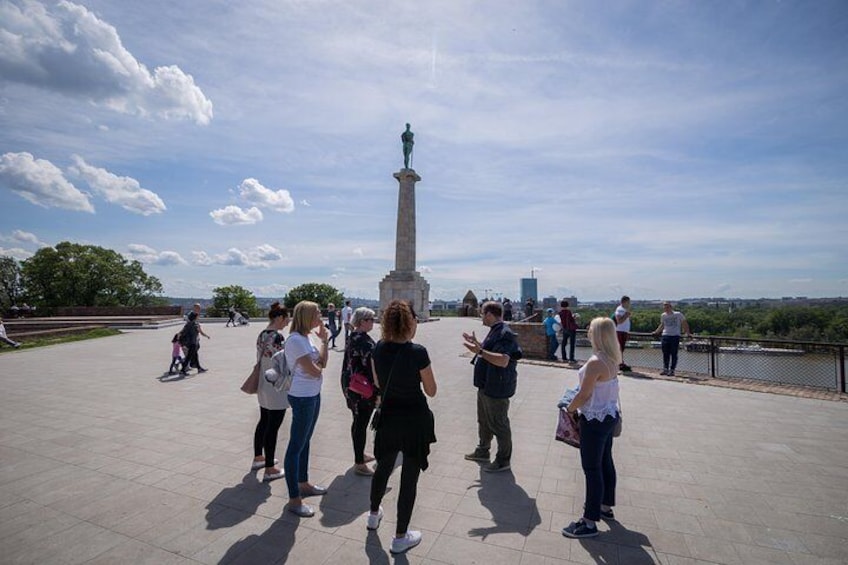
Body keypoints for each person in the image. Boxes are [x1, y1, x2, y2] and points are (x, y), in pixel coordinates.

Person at [367, 300, 437, 555]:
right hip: (414, 418)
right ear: (410, 323)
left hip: (389, 416)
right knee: (409, 477)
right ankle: (400, 536)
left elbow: (377, 382)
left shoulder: (378, 349)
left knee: (383, 468)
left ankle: (373, 514)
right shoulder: (418, 352)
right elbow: (431, 390)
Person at [562, 317, 622, 539]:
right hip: (608, 415)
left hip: (594, 419)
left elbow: (584, 394)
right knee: (606, 461)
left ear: (597, 334)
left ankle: (589, 522)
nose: (587, 330)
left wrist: (569, 409)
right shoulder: (613, 358)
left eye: (590, 328)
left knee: (591, 468)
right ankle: (606, 506)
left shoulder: (597, 362)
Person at [462, 301, 522, 473]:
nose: (481, 317)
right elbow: (492, 350)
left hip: (497, 387)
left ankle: (503, 461)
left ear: (489, 315)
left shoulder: (505, 333)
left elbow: (503, 360)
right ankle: (482, 451)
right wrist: (478, 344)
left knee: (499, 424)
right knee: (484, 421)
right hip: (486, 385)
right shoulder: (495, 331)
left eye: (482, 314)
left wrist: (479, 351)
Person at [283, 301, 330, 517]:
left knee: (305, 441)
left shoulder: (306, 338)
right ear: (307, 316)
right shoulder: (295, 340)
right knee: (296, 446)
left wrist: (325, 341)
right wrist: (318, 366)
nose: (320, 315)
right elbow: (315, 371)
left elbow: (323, 364)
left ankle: (303, 483)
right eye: (317, 313)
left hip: (312, 395)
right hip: (303, 397)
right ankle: (294, 498)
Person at [253, 302, 290, 482]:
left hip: (262, 382)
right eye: (286, 318)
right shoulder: (278, 337)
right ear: (279, 317)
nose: (287, 322)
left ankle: (259, 457)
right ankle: (270, 467)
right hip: (276, 385)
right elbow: (283, 364)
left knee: (264, 420)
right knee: (273, 426)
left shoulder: (262, 335)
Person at [341, 307, 377, 476]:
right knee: (361, 423)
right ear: (363, 321)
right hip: (363, 389)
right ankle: (359, 463)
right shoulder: (365, 341)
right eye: (371, 319)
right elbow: (372, 367)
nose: (374, 322)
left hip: (350, 385)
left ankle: (359, 454)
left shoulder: (352, 336)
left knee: (356, 421)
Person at [653, 302, 693, 376]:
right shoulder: (663, 315)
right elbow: (662, 325)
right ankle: (665, 369)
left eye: (667, 307)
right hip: (665, 335)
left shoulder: (678, 314)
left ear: (671, 307)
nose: (666, 309)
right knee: (665, 354)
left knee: (674, 354)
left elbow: (684, 323)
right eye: (664, 307)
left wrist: (688, 333)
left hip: (675, 336)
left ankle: (672, 370)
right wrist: (656, 332)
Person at [614, 296, 632, 372]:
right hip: (620, 332)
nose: (629, 304)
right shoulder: (620, 310)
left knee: (621, 348)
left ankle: (620, 363)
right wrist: (626, 315)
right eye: (628, 302)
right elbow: (619, 321)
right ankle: (619, 364)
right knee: (619, 348)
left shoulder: (623, 310)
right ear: (625, 302)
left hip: (623, 332)